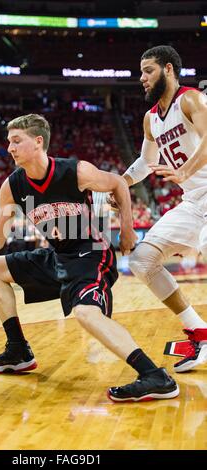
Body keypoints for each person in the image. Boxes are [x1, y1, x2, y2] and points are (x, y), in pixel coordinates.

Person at [0, 114, 179, 402]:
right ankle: (18, 350)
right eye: (9, 142)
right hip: (58, 256)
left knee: (85, 314)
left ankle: (154, 376)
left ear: (38, 142)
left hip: (90, 253)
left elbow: (118, 184)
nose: (9, 148)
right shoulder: (13, 186)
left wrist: (127, 229)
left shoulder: (76, 171)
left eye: (16, 141)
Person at [121, 45, 207, 372]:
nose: (141, 78)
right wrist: (117, 183)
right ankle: (200, 332)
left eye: (148, 71)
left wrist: (184, 171)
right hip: (193, 202)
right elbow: (146, 162)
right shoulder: (151, 118)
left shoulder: (192, 99)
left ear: (168, 69)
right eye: (141, 72)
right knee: (142, 260)